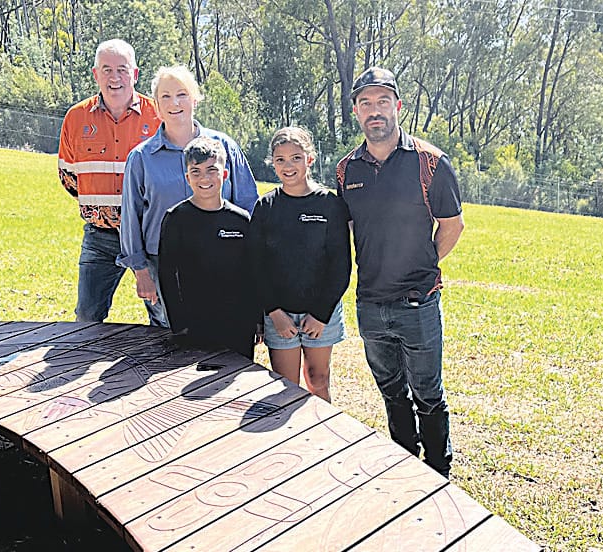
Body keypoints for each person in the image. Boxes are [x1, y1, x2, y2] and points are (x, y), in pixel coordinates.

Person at [336, 67, 465, 478]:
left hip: (418, 303)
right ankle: (404, 465)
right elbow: (351, 228)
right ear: (355, 111)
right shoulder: (346, 171)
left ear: (398, 106)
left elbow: (452, 225)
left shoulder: (430, 162)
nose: (375, 111)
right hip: (371, 304)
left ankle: (439, 471)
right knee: (391, 392)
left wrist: (424, 267)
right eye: (366, 103)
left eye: (383, 102)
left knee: (428, 393)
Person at [118, 65, 258, 328]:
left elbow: (249, 206)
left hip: (224, 257)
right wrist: (141, 272)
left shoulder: (225, 147)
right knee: (174, 340)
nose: (175, 103)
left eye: (182, 94)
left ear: (195, 99)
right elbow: (130, 218)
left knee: (223, 336)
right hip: (164, 265)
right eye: (166, 97)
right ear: (156, 106)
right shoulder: (142, 158)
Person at [58, 39, 160, 322]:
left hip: (150, 237)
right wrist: (101, 205)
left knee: (164, 319)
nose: (115, 78)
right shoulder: (76, 118)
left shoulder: (159, 117)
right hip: (100, 235)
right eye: (107, 70)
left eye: (122, 69)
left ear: (135, 74)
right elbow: (68, 177)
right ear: (95, 74)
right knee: (87, 316)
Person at [248, 127, 350, 401]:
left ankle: (323, 438)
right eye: (280, 159)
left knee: (318, 379)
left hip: (320, 313)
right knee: (285, 387)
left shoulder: (330, 205)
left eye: (295, 158)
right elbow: (256, 265)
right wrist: (274, 313)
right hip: (280, 315)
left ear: (310, 159)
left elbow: (340, 266)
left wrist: (321, 313)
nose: (288, 166)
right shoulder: (266, 206)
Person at [157, 137, 259, 359]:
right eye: (196, 171)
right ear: (187, 178)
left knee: (235, 386)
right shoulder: (176, 219)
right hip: (195, 325)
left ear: (224, 174)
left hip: (238, 324)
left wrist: (256, 319)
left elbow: (252, 273)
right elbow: (166, 274)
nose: (204, 178)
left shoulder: (240, 220)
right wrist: (178, 323)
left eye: (211, 170)